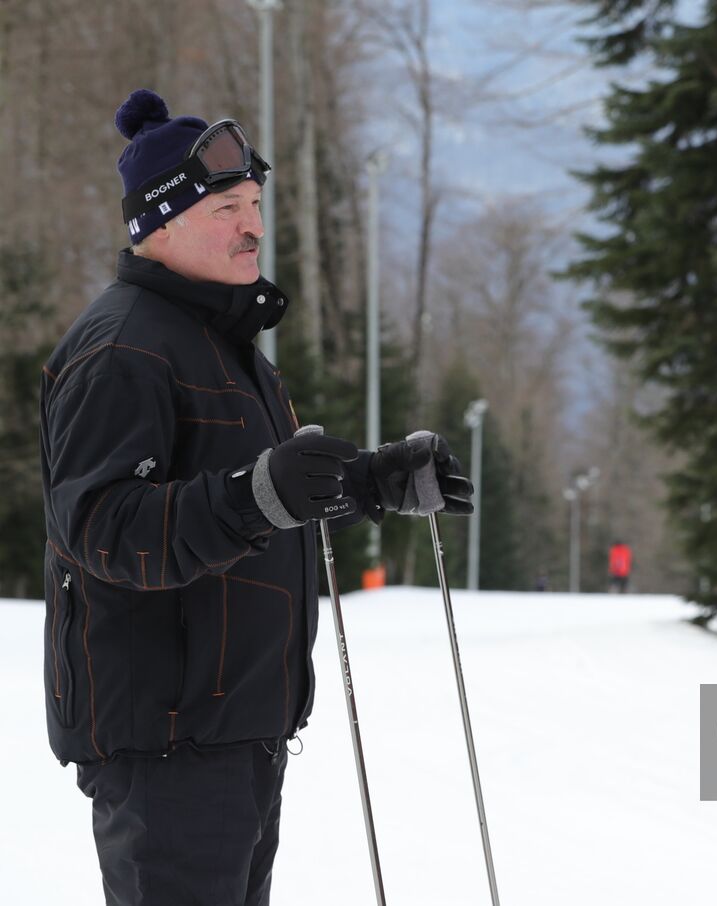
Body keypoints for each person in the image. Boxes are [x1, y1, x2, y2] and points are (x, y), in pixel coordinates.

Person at [39, 89, 474, 906]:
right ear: (158, 225)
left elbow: (260, 498)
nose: (254, 227)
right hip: (167, 744)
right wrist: (255, 494)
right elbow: (101, 529)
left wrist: (371, 483)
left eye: (255, 205)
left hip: (232, 734)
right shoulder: (122, 350)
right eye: (228, 207)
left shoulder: (224, 349)